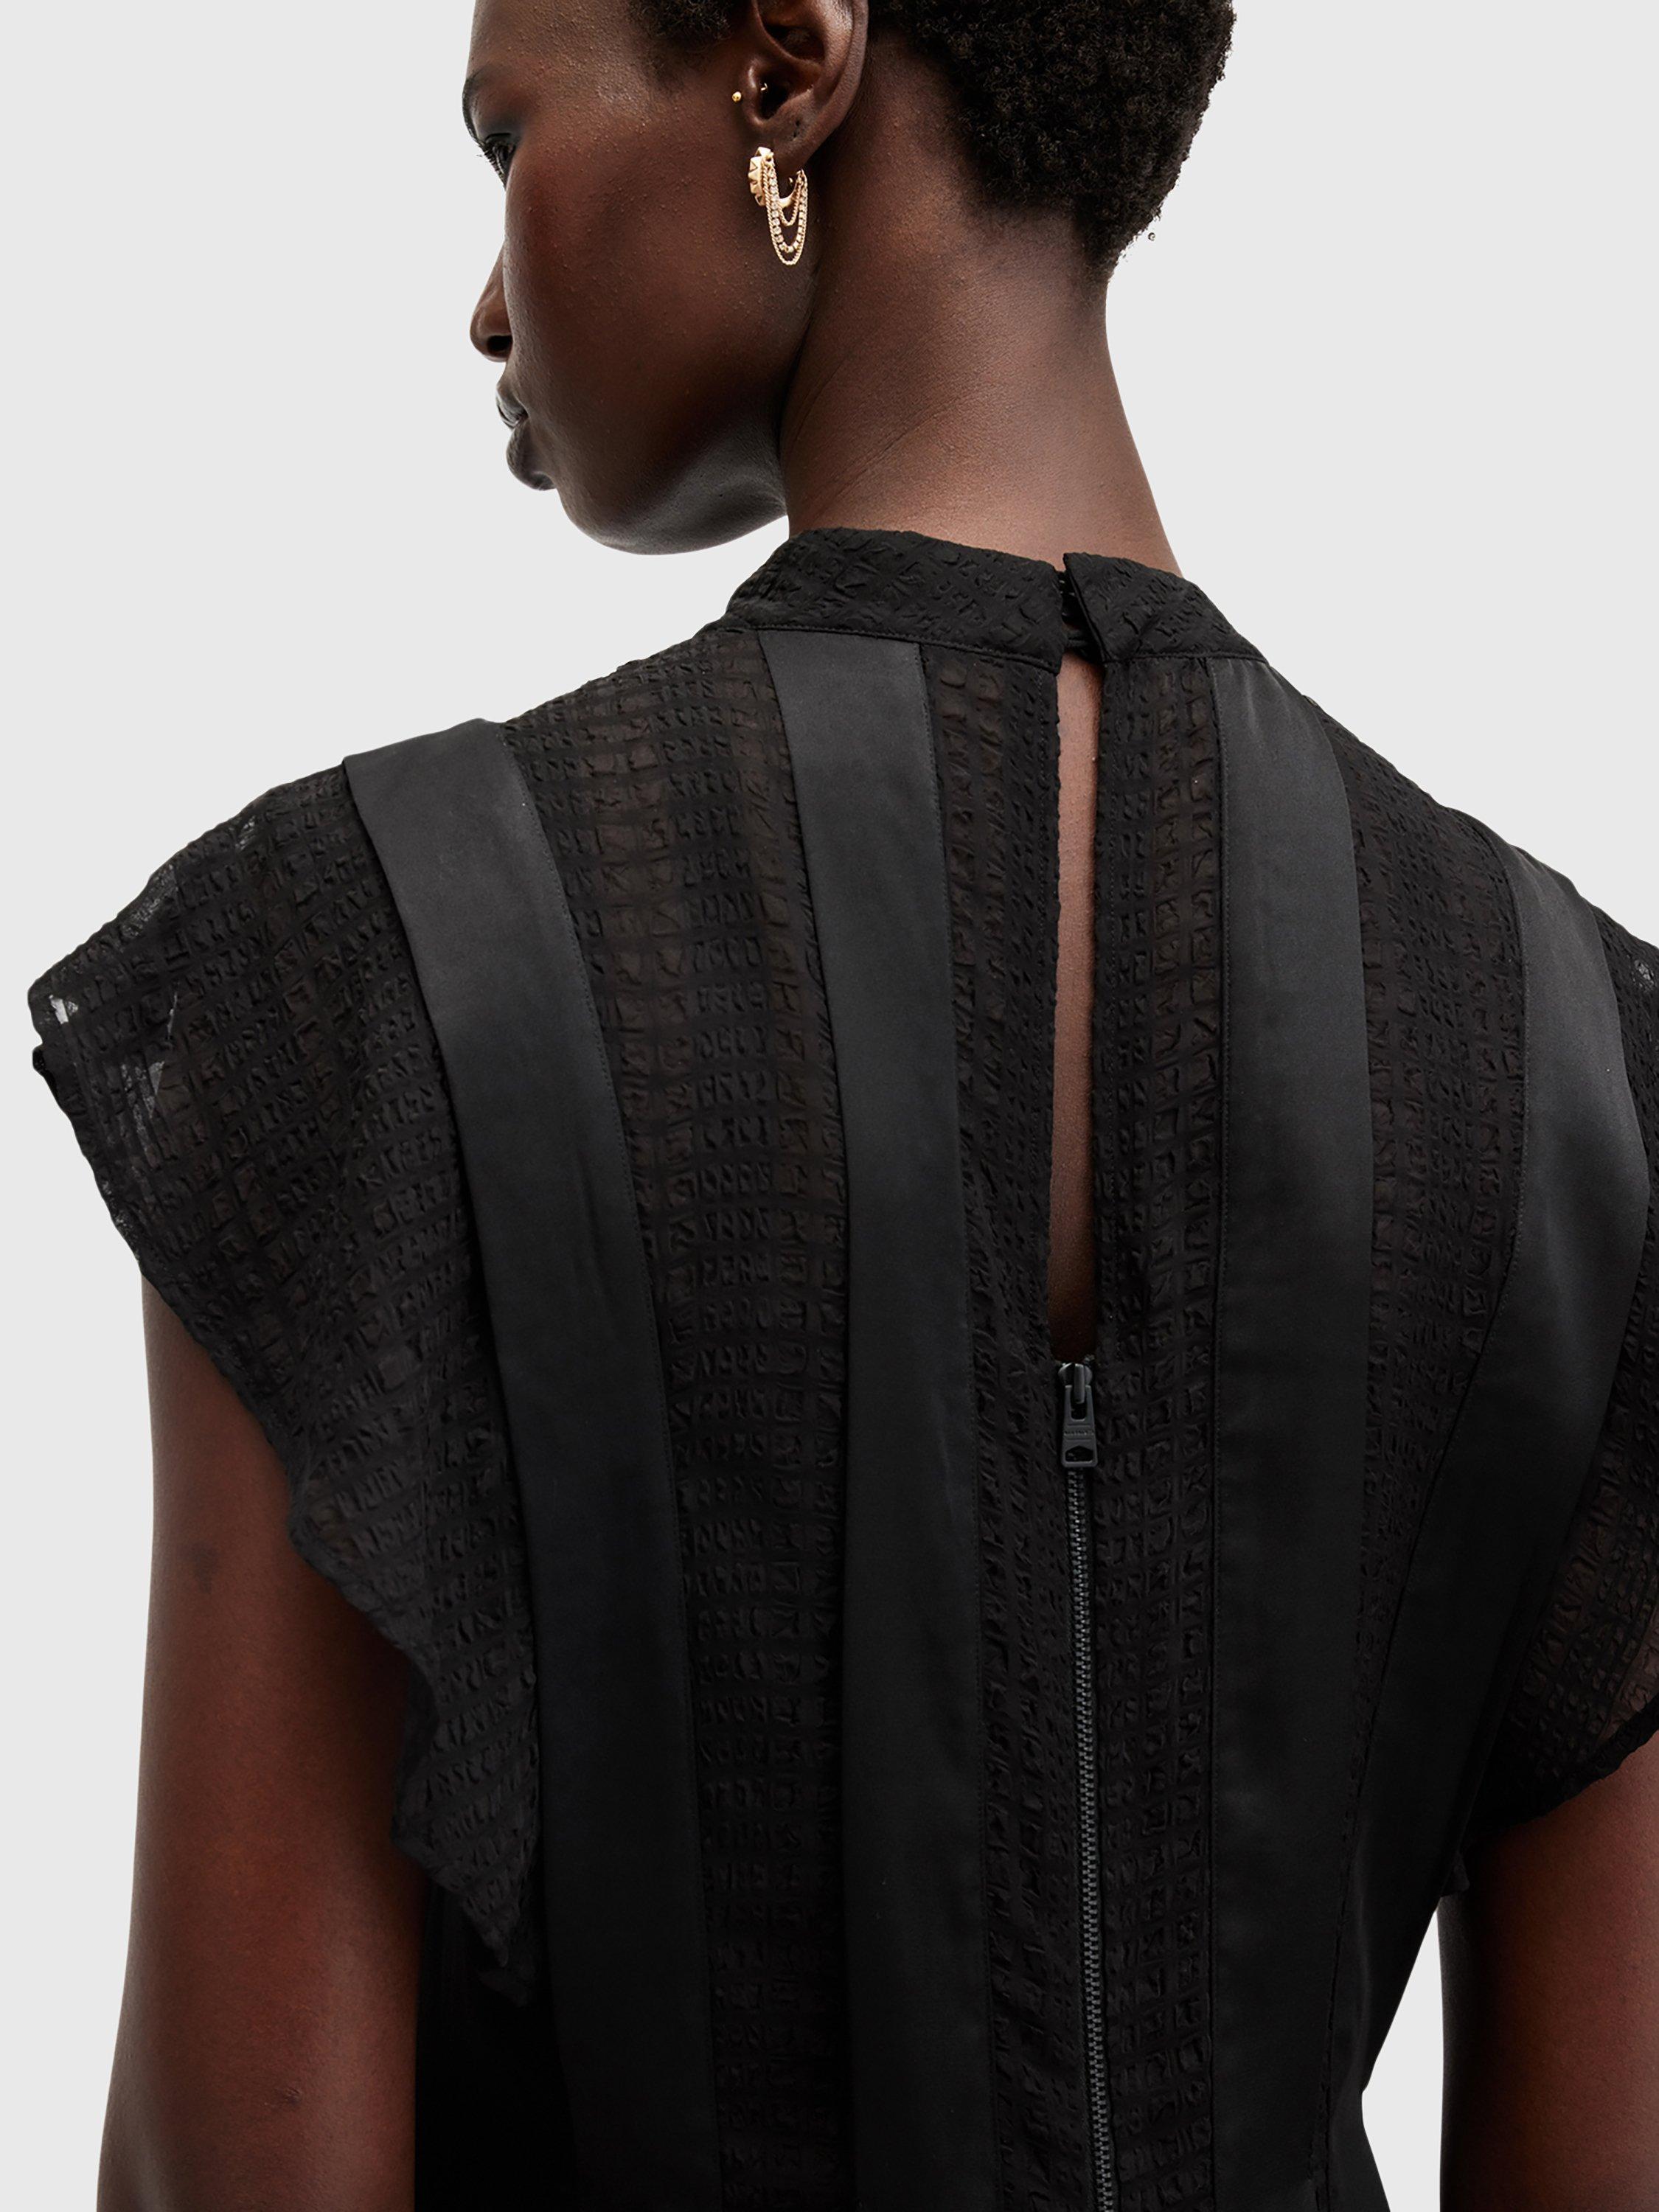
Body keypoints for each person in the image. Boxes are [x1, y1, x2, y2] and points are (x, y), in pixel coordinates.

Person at [27, 1, 1658, 2208]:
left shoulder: (359, 967)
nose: (488, 301)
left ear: (789, 66)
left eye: (505, 137)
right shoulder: (1585, 1067)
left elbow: (233, 2174)